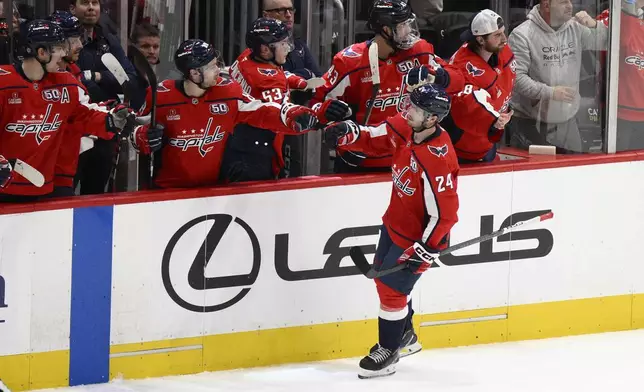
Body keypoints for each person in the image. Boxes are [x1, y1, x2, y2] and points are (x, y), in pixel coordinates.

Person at [323, 84, 459, 379]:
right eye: (410, 105)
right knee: (384, 281)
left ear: (433, 119)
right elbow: (377, 137)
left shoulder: (438, 157)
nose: (408, 111)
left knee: (392, 291)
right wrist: (349, 132)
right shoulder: (409, 127)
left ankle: (389, 350)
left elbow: (445, 214)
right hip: (395, 222)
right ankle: (405, 334)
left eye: (416, 109)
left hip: (419, 237)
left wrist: (425, 248)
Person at [130, 39, 320, 189]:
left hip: (214, 191)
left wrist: (291, 114)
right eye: (212, 67)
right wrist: (141, 136)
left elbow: (260, 110)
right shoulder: (162, 95)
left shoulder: (227, 91)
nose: (218, 71)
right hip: (167, 193)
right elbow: (135, 127)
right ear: (194, 74)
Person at [313, 0, 464, 173]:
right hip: (361, 163)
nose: (410, 31)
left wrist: (437, 76)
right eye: (403, 26)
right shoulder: (350, 62)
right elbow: (317, 102)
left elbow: (459, 80)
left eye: (410, 24)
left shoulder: (420, 51)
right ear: (386, 30)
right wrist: (328, 116)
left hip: (407, 159)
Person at [0, 20, 134, 203]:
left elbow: (81, 116)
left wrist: (111, 122)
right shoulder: (3, 84)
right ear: (41, 52)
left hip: (45, 188)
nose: (64, 53)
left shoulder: (66, 83)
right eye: (59, 48)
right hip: (5, 188)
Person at [225, 18, 350, 182]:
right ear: (264, 49)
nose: (288, 48)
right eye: (282, 44)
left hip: (237, 140)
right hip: (257, 150)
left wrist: (296, 81)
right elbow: (282, 120)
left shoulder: (246, 56)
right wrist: (319, 117)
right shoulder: (269, 83)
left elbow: (274, 72)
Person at [507, 0, 608, 153]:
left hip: (568, 121)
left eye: (570, 1)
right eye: (563, 2)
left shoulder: (576, 28)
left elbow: (608, 43)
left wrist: (595, 25)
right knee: (538, 174)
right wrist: (551, 93)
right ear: (546, 6)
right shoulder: (522, 35)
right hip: (531, 123)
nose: (570, 6)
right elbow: (515, 79)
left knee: (573, 171)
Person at [71, 0, 143, 194]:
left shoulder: (108, 39)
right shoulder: (64, 39)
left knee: (95, 193)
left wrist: (96, 76)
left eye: (95, 2)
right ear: (72, 8)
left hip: (105, 126)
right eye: (85, 3)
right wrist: (97, 84)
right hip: (73, 129)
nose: (91, 8)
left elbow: (129, 78)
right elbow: (71, 80)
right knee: (63, 197)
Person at [441, 9, 516, 163]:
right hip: (463, 151)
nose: (504, 38)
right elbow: (467, 110)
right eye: (497, 35)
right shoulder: (462, 68)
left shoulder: (499, 49)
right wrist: (495, 122)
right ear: (481, 40)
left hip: (488, 144)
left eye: (503, 32)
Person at [261, 0, 321, 79]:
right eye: (281, 11)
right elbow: (272, 80)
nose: (289, 15)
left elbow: (318, 78)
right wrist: (306, 73)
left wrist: (293, 76)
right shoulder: (262, 48)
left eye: (291, 10)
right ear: (266, 15)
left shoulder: (299, 45)